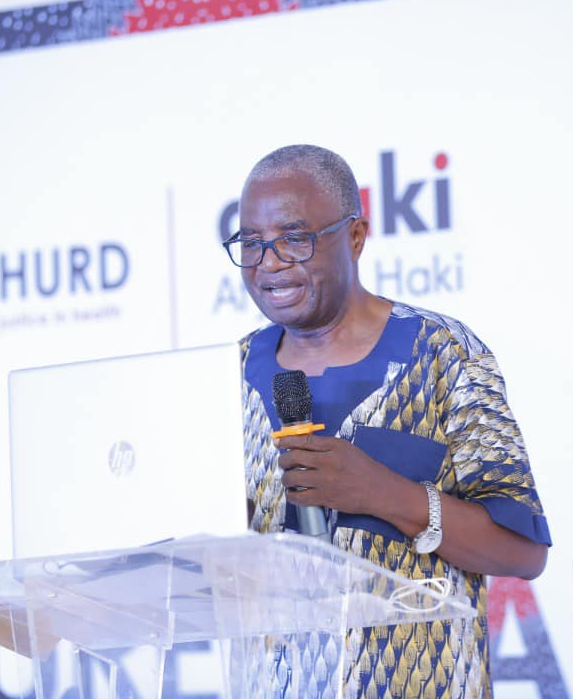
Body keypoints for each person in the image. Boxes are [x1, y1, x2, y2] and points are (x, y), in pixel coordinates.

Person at [227, 144, 551, 698]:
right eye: (251, 243)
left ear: (355, 236)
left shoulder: (445, 353)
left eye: (295, 238)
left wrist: (382, 494)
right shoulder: (226, 375)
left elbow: (524, 552)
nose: (269, 263)